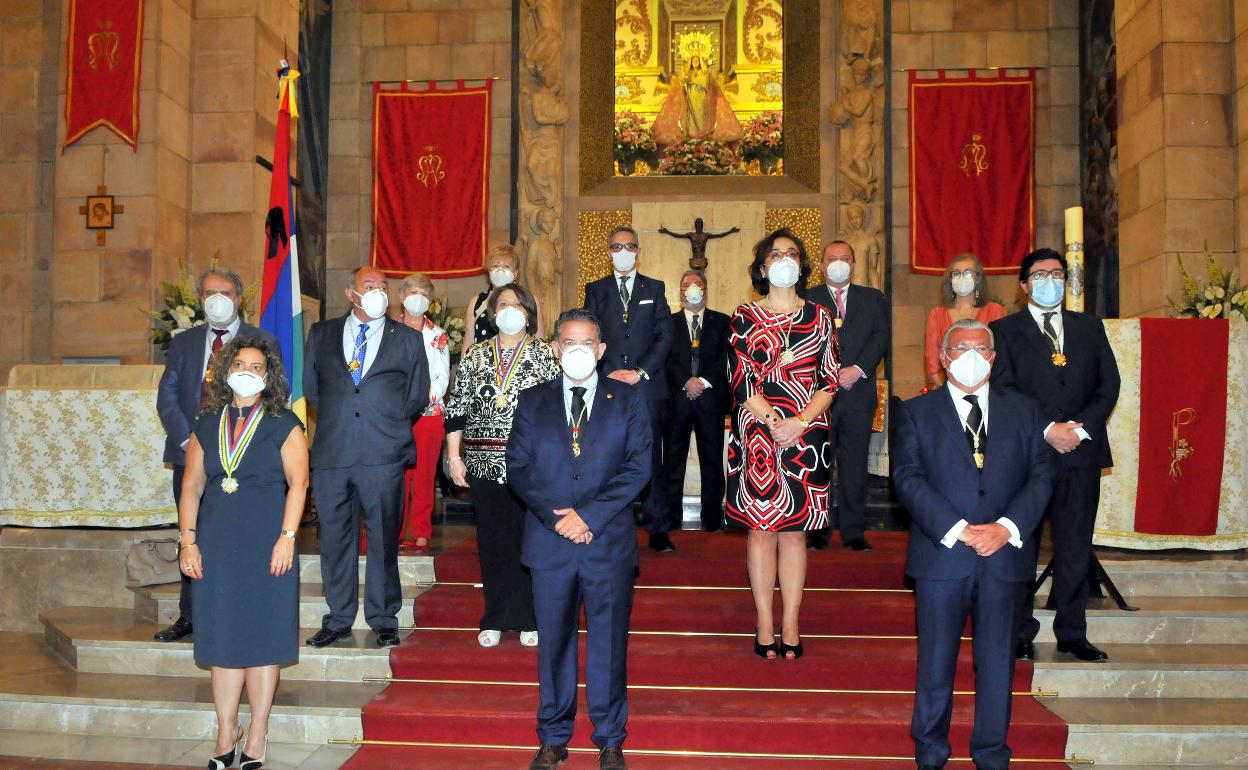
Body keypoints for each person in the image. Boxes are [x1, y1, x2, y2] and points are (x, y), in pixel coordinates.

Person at [892, 319, 1052, 770]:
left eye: (981, 349)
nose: (971, 356)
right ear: (943, 357)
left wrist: (1007, 527)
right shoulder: (916, 413)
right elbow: (907, 477)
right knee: (936, 662)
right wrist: (958, 528)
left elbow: (1041, 474)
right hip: (943, 555)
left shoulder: (1025, 410)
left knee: (998, 663)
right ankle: (931, 751)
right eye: (960, 347)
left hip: (1004, 556)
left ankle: (991, 753)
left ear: (994, 358)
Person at [506, 308, 652, 770]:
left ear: (601, 350)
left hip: (606, 540)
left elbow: (638, 468)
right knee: (553, 643)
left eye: (586, 343)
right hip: (550, 543)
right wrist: (559, 520)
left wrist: (588, 516)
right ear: (554, 349)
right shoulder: (532, 401)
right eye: (568, 343)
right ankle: (553, 736)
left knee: (609, 643)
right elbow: (520, 469)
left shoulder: (627, 399)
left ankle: (610, 738)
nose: (577, 352)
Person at [177, 336, 309, 770]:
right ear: (224, 371)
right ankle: (225, 729)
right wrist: (188, 541)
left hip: (269, 543)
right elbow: (192, 486)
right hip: (216, 545)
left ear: (267, 375)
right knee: (223, 639)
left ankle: (257, 731)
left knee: (263, 639)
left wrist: (288, 536)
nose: (247, 373)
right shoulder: (206, 423)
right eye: (240, 364)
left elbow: (300, 484)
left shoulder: (284, 422)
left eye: (256, 366)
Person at [989, 248, 1121, 663]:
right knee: (1021, 545)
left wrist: (1078, 429)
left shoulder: (1089, 327)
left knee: (1075, 544)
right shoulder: (1003, 330)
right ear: (1025, 285)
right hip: (1029, 454)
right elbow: (1003, 389)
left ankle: (1072, 632)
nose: (1051, 280)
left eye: (1058, 273)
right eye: (1041, 274)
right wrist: (1047, 429)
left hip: (1081, 451)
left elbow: (1108, 385)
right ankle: (1021, 632)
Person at [726, 229, 839, 660]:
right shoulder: (743, 316)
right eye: (776, 254)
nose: (785, 260)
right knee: (760, 531)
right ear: (762, 266)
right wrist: (775, 420)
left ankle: (791, 619)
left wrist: (800, 421)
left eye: (792, 254)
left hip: (806, 435)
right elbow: (741, 379)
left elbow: (830, 380)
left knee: (794, 534)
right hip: (757, 434)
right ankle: (764, 620)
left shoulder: (821, 318)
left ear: (802, 265)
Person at [302, 266, 429, 649]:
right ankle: (338, 618)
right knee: (335, 540)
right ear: (351, 293)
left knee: (383, 538)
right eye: (369, 286)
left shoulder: (406, 339)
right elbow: (313, 390)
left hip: (383, 453)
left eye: (383, 287)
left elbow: (417, 395)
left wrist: (383, 423)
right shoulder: (321, 334)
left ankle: (383, 617)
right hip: (334, 452)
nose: (378, 292)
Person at [154, 268, 278, 643]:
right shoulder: (184, 341)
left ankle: (238, 609)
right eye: (209, 292)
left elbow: (274, 396)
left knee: (237, 534)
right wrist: (189, 442)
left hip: (241, 459)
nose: (216, 299)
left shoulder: (262, 340)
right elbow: (168, 396)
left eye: (224, 292)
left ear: (239, 298)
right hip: (189, 455)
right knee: (190, 534)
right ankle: (189, 614)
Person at [445, 283, 560, 648]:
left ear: (528, 312)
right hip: (481, 464)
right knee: (493, 542)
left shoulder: (545, 355)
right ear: (493, 313)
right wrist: (453, 456)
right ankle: (494, 615)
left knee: (528, 542)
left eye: (516, 304)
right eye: (503, 304)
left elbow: (559, 411)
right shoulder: (476, 356)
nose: (509, 310)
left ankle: (528, 616)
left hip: (530, 467)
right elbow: (456, 408)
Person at [583, 226, 674, 551]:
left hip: (646, 387)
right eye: (617, 246)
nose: (624, 251)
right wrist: (610, 373)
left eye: (630, 246)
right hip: (607, 386)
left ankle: (658, 527)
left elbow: (665, 335)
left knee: (650, 458)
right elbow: (589, 334)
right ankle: (604, 522)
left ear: (638, 251)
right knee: (607, 456)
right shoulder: (596, 289)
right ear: (608, 251)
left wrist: (640, 371)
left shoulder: (655, 287)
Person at [806, 240, 890, 552]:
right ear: (822, 264)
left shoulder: (872, 298)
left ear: (853, 265)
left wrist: (858, 369)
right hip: (816, 396)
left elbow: (881, 337)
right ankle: (817, 530)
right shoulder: (807, 299)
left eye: (845, 258)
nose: (838, 263)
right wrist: (824, 373)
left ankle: (854, 532)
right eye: (832, 258)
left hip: (858, 394)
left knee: (854, 464)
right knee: (817, 465)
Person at [661, 270, 731, 532]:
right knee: (673, 459)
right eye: (686, 284)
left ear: (706, 289)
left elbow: (727, 357)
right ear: (680, 292)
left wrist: (702, 381)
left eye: (697, 284)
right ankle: (670, 515)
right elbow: (664, 357)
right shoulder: (667, 322)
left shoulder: (723, 321)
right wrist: (686, 381)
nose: (692, 288)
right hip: (676, 401)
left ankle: (712, 517)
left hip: (710, 400)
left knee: (712, 459)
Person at [396, 273, 451, 552]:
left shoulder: (437, 335)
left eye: (423, 293)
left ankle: (421, 530)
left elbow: (441, 377)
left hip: (428, 414)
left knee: (424, 473)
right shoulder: (387, 330)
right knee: (397, 475)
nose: (417, 297)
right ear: (401, 297)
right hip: (393, 415)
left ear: (430, 302)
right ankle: (393, 529)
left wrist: (420, 400)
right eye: (412, 291)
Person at [924, 253, 1006, 390]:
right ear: (950, 279)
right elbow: (932, 362)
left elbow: (1001, 358)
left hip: (988, 390)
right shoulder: (937, 315)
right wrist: (948, 390)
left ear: (978, 278)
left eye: (967, 273)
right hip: (947, 390)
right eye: (956, 273)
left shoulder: (994, 311)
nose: (961, 278)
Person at [461, 244, 546, 355]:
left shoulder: (530, 300)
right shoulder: (476, 302)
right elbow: (468, 343)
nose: (500, 270)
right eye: (495, 266)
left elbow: (540, 339)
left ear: (515, 273)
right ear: (489, 273)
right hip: (483, 365)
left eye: (506, 266)